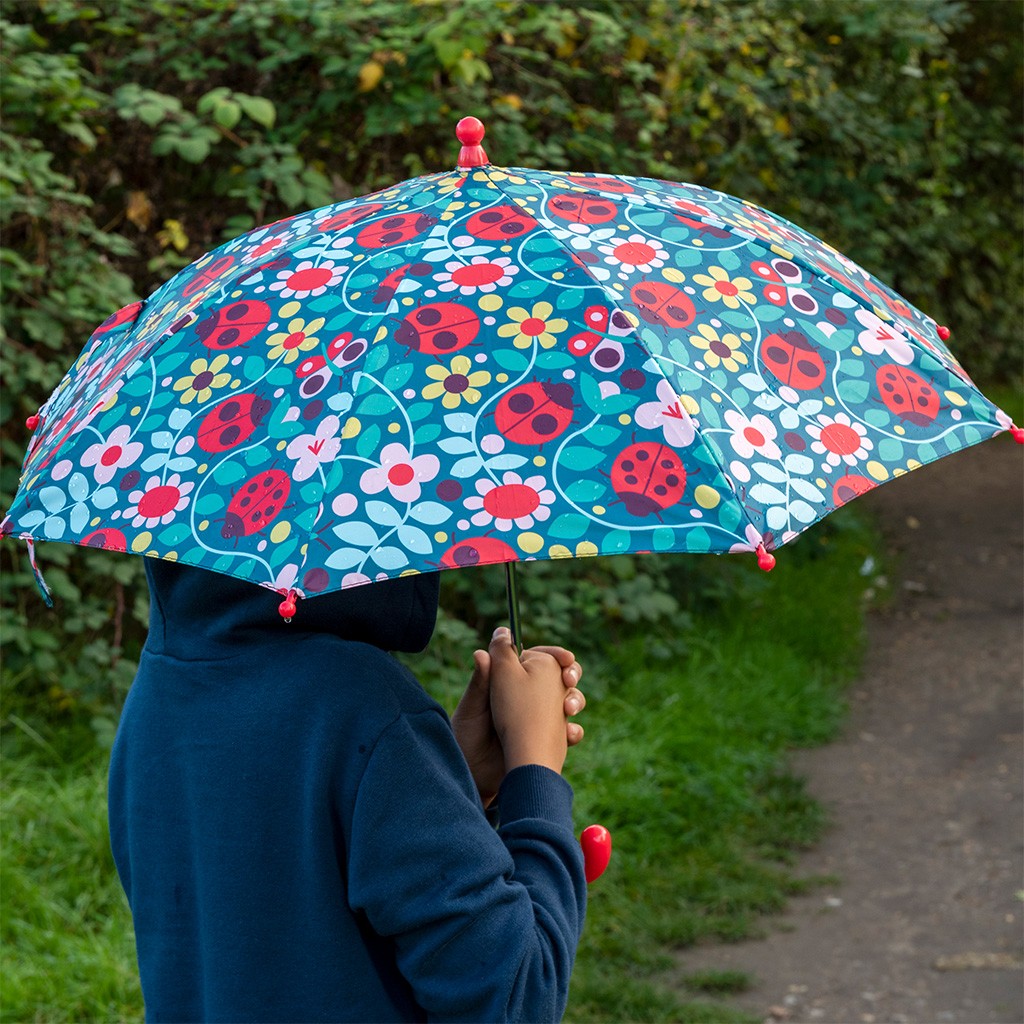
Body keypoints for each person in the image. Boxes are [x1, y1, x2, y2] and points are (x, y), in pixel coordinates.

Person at [108, 558, 589, 1023]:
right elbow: (516, 995)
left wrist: (449, 784)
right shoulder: (364, 707)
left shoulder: (160, 686)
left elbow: (275, 892)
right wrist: (535, 773)